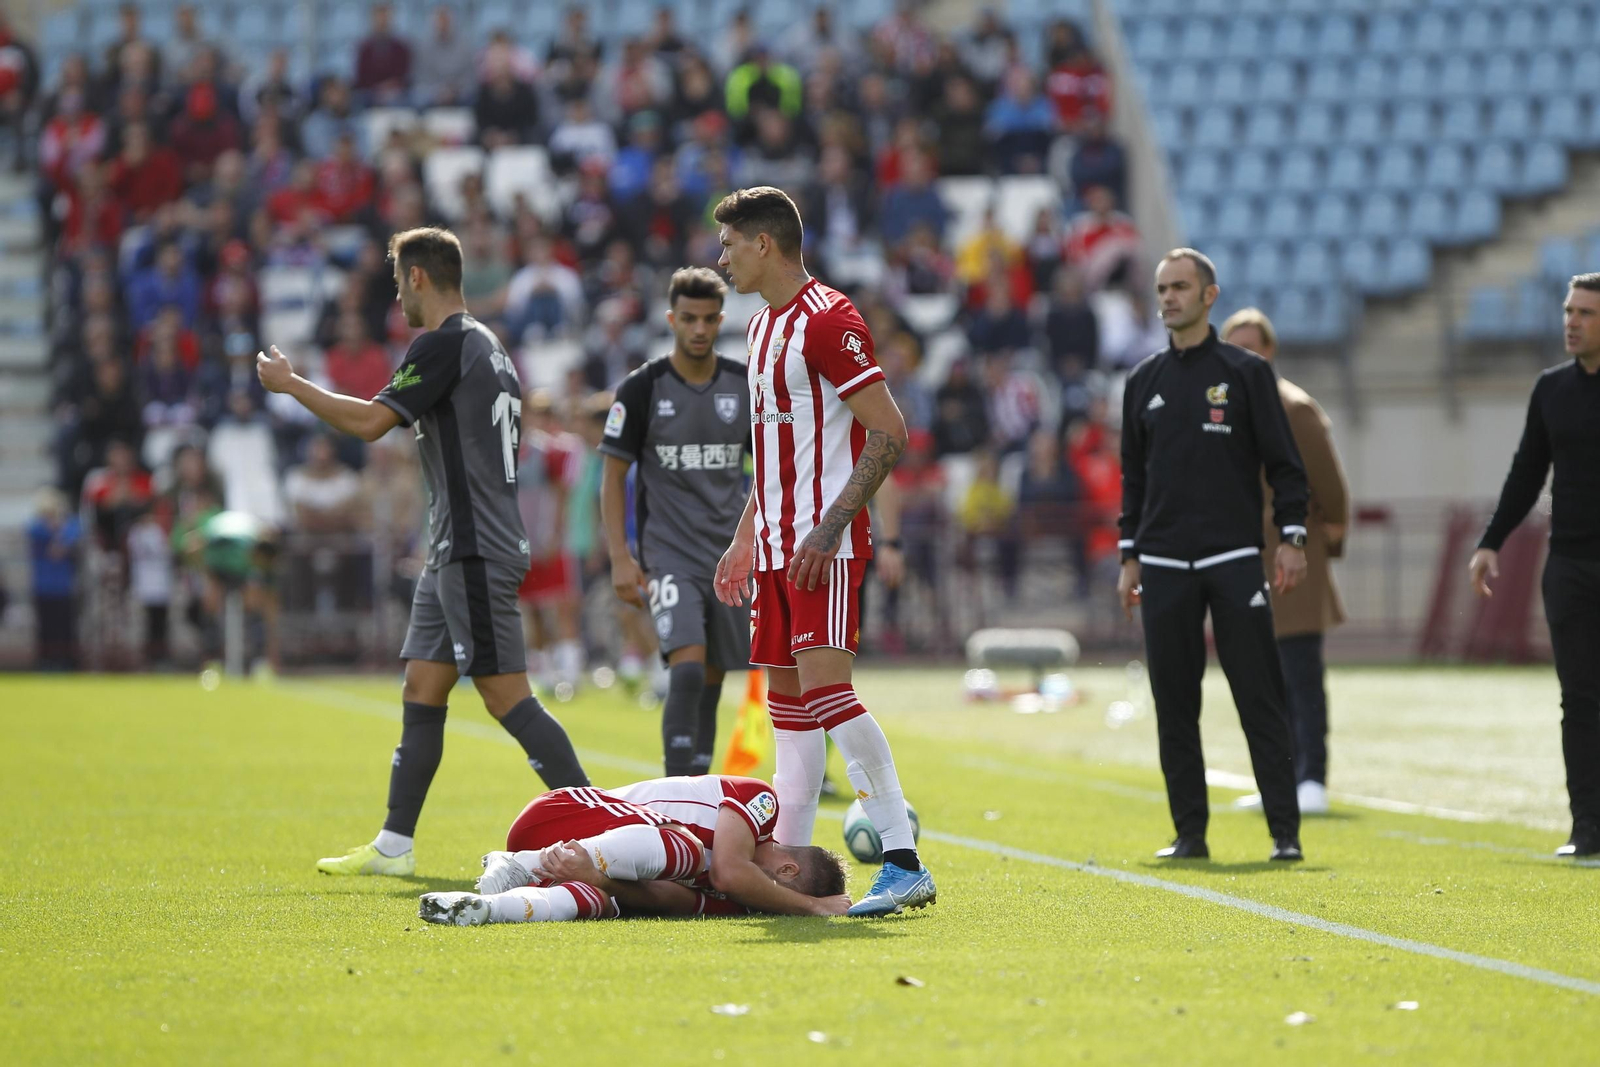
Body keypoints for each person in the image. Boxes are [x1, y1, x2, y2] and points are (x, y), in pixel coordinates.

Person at [256, 227, 590, 875]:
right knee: (423, 685)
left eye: (397, 284)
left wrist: (293, 384)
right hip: (453, 546)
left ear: (417, 277)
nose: (397, 299)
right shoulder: (491, 346)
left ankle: (609, 830)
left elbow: (370, 422)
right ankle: (395, 845)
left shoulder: (445, 342)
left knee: (504, 694)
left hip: (474, 545)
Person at [710, 186, 936, 917]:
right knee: (788, 714)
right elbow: (776, 452)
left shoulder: (828, 318)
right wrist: (746, 534)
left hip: (821, 547)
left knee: (829, 696)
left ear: (764, 243)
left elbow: (890, 431)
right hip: (775, 546)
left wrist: (833, 525)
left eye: (729, 245)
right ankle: (790, 869)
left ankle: (902, 859)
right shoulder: (758, 327)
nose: (721, 260)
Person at [1117, 249, 1311, 862]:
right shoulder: (1142, 381)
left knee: (1259, 696)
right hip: (1163, 563)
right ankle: (1190, 835)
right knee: (1175, 705)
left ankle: (1284, 833)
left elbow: (1286, 466)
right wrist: (1129, 556)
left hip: (1233, 558)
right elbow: (1132, 480)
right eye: (1162, 289)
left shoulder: (1246, 373)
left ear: (1209, 296)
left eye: (1180, 287)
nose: (1169, 298)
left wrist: (1293, 538)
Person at [599, 267, 752, 777]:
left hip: (727, 557)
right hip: (668, 554)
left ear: (721, 320)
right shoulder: (642, 388)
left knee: (711, 676)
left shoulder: (743, 385)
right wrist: (621, 557)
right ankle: (674, 789)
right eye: (689, 318)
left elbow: (772, 468)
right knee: (685, 668)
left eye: (708, 319)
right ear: (671, 320)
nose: (699, 329)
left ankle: (697, 790)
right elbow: (612, 476)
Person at [1469, 273, 1600, 858]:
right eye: (1569, 311)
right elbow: (1527, 472)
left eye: (1586, 313)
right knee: (1579, 699)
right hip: (1569, 565)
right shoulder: (1552, 389)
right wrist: (1490, 541)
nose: (1572, 322)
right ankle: (1587, 826)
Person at [1222, 309, 1351, 818]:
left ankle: (1312, 778)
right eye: (1234, 348)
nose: (1243, 357)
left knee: (1300, 673)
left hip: (1292, 552)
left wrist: (1326, 539)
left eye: (1251, 347)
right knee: (1264, 679)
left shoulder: (1294, 408)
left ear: (1270, 351)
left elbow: (1330, 485)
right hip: (1245, 556)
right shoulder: (1226, 410)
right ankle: (1280, 778)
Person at [418, 774, 851, 925]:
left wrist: (598, 878)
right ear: (788, 871)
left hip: (576, 859)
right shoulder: (762, 803)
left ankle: (484, 909)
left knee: (602, 901)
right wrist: (813, 907)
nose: (768, 907)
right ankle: (520, 863)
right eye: (780, 900)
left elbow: (662, 899)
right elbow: (729, 872)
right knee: (690, 850)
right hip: (559, 814)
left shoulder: (737, 903)